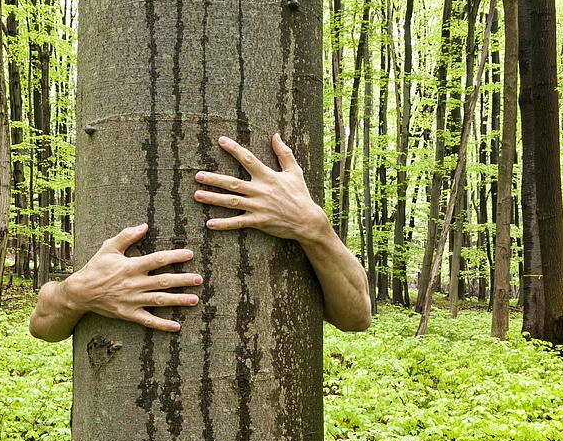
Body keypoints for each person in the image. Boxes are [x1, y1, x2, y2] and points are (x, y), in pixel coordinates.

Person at [29, 133, 372, 341]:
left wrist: (316, 229)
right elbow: (42, 327)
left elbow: (356, 317)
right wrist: (75, 294)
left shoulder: (302, 214)